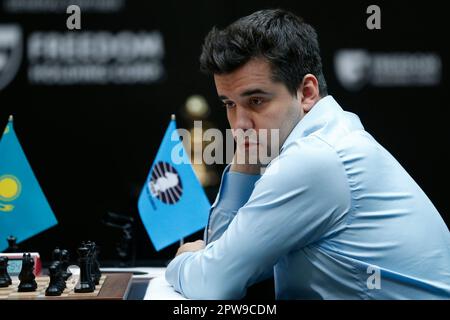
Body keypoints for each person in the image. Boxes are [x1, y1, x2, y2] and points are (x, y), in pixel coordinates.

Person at [165, 9, 450, 299]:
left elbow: (213, 284)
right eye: (229, 104)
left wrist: (182, 261)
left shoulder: (316, 160)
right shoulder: (328, 136)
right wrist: (244, 162)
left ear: (307, 92)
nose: (239, 124)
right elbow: (232, 262)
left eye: (256, 100)